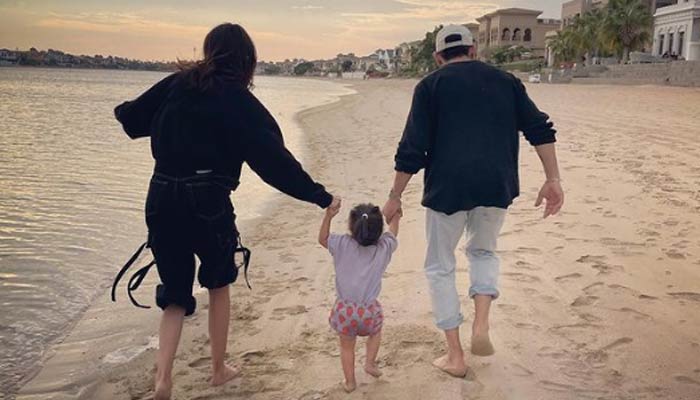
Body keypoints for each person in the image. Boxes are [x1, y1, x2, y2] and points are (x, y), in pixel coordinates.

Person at [113, 23, 340, 400]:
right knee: (218, 284)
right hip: (208, 201)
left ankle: (163, 379)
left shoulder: (178, 83)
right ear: (247, 61)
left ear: (209, 51)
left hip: (161, 195)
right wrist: (319, 196)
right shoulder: (240, 102)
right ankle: (218, 369)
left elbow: (132, 120)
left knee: (174, 294)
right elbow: (274, 163)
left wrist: (126, 110)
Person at [382, 25, 564, 377]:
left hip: (447, 189)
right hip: (496, 185)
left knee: (440, 266)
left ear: (438, 57)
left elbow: (412, 149)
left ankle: (455, 356)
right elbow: (540, 128)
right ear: (474, 50)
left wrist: (394, 196)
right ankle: (481, 323)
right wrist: (552, 179)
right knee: (483, 252)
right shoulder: (506, 81)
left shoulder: (430, 86)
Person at [319, 203, 400, 392]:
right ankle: (370, 363)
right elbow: (393, 232)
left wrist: (328, 216)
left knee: (347, 347)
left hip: (345, 311)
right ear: (379, 230)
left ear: (351, 226)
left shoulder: (341, 244)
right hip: (369, 311)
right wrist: (395, 216)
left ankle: (350, 382)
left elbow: (322, 238)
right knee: (375, 333)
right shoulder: (384, 247)